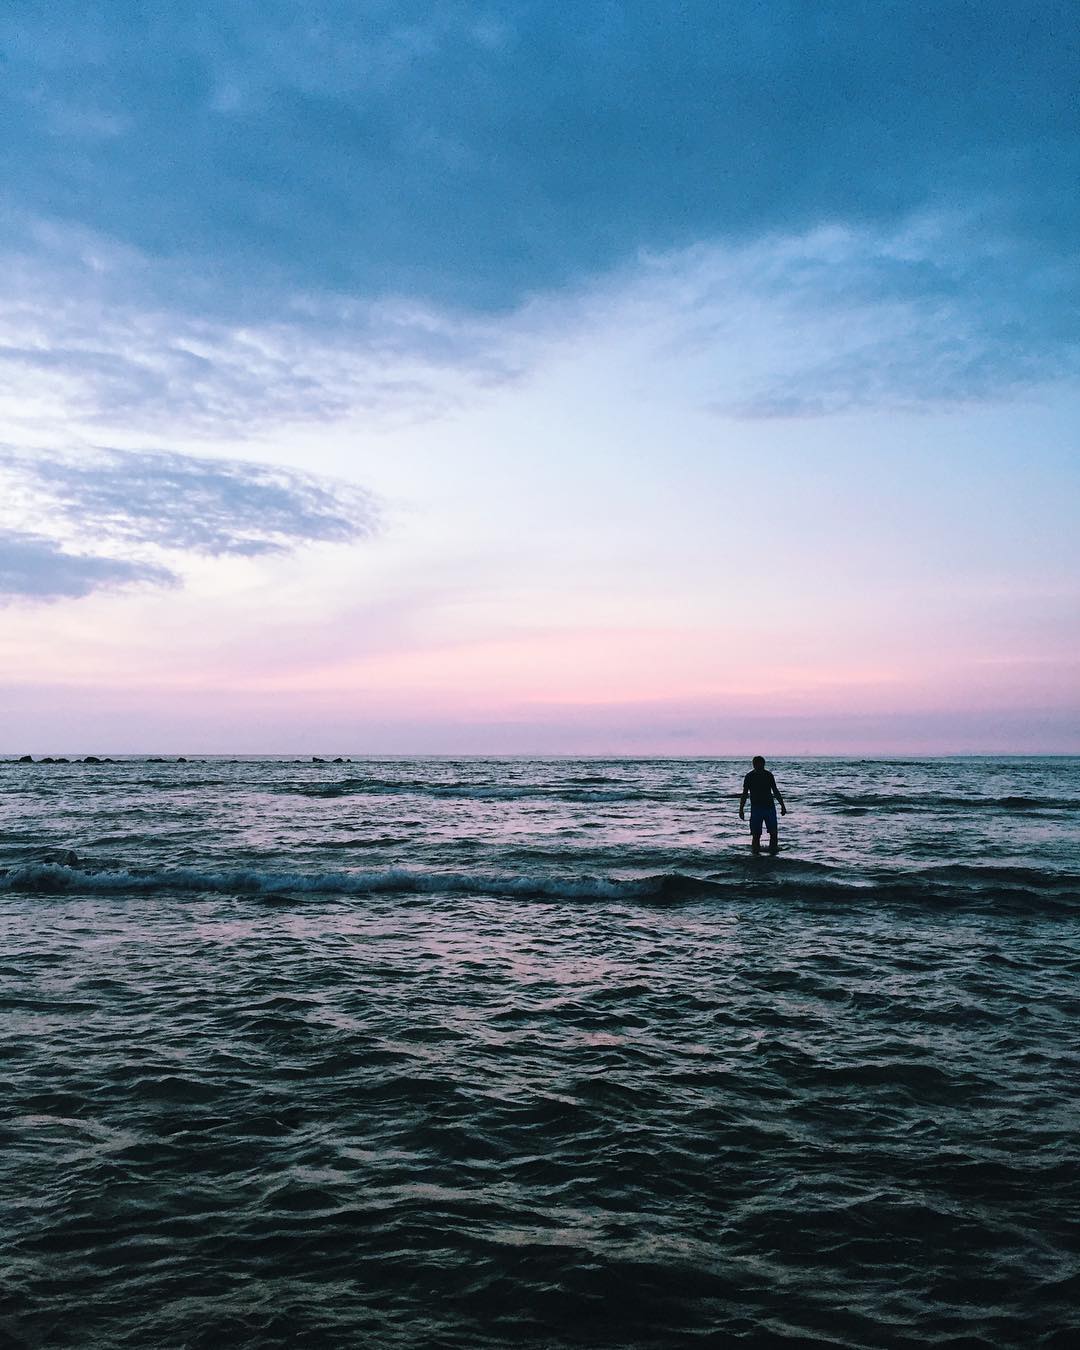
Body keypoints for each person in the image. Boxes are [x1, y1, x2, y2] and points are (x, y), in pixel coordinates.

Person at [739, 756, 787, 854]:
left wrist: (782, 805)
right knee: (756, 835)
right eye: (756, 764)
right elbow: (744, 794)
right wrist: (741, 809)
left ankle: (773, 854)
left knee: (773, 833)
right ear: (753, 765)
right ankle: (755, 855)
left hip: (769, 807)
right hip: (756, 808)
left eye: (760, 764)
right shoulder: (749, 776)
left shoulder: (768, 775)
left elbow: (775, 791)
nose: (758, 766)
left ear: (763, 764)